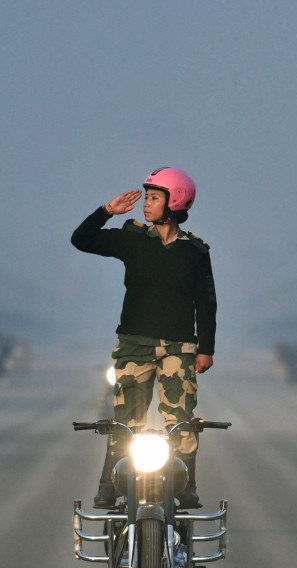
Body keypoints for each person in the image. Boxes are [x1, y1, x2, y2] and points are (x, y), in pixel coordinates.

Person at [70, 167, 217, 509]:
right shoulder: (133, 239)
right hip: (134, 345)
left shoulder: (195, 251)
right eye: (146, 197)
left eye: (153, 198)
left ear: (175, 201)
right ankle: (109, 483)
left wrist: (205, 349)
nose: (145, 205)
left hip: (179, 349)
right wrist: (107, 211)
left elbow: (206, 303)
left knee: (181, 420)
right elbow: (82, 240)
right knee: (125, 422)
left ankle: (187, 484)